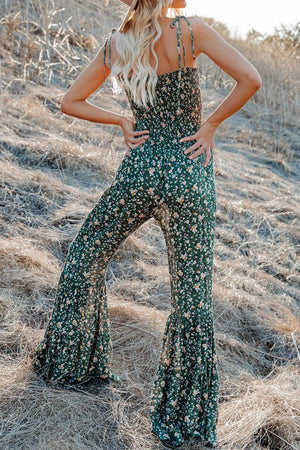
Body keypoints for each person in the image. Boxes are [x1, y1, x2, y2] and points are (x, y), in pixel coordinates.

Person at [32, 0, 262, 448]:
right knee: (191, 298)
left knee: (85, 256)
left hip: (140, 172)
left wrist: (121, 119)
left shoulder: (118, 44)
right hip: (188, 174)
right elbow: (251, 79)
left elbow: (69, 101)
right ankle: (186, 417)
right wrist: (210, 125)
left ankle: (71, 365)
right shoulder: (191, 31)